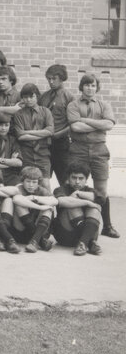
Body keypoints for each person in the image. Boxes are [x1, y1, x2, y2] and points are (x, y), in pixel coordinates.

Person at [66, 73, 118, 238]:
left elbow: (109, 124)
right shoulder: (73, 105)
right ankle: (71, 224)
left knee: (101, 189)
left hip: (99, 149)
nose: (90, 88)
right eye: (87, 85)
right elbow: (76, 128)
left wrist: (85, 120)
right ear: (81, 87)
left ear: (97, 87)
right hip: (78, 149)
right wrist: (98, 125)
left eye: (93, 85)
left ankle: (107, 226)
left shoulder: (104, 105)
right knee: (73, 184)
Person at [53, 163, 103, 256]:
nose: (77, 182)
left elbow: (101, 198)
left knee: (94, 209)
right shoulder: (60, 189)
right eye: (74, 178)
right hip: (66, 235)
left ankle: (83, 243)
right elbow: (61, 201)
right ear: (68, 178)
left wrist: (78, 193)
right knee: (73, 206)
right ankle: (90, 242)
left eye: (81, 178)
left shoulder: (90, 190)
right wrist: (87, 202)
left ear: (86, 180)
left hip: (84, 235)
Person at [12, 83, 54, 190]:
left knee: (45, 185)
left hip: (43, 154)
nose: (28, 100)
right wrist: (41, 133)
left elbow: (50, 131)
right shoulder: (19, 114)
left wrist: (28, 132)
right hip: (26, 154)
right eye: (25, 97)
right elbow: (20, 135)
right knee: (27, 184)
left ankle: (47, 205)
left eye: (32, 97)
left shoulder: (45, 111)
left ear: (37, 96)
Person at [39, 64, 74, 186]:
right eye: (48, 79)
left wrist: (57, 134)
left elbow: (73, 124)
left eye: (54, 78)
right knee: (42, 180)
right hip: (44, 144)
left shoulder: (69, 97)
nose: (51, 81)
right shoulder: (44, 96)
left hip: (61, 144)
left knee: (65, 180)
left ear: (62, 78)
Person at [11, 166, 59, 253]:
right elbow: (16, 199)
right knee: (19, 205)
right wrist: (40, 207)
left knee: (49, 208)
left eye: (34, 182)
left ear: (38, 183)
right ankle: (40, 241)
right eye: (28, 181)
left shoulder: (41, 190)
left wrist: (33, 197)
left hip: (38, 229)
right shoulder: (19, 188)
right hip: (21, 230)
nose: (31, 185)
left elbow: (55, 201)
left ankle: (34, 241)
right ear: (22, 181)